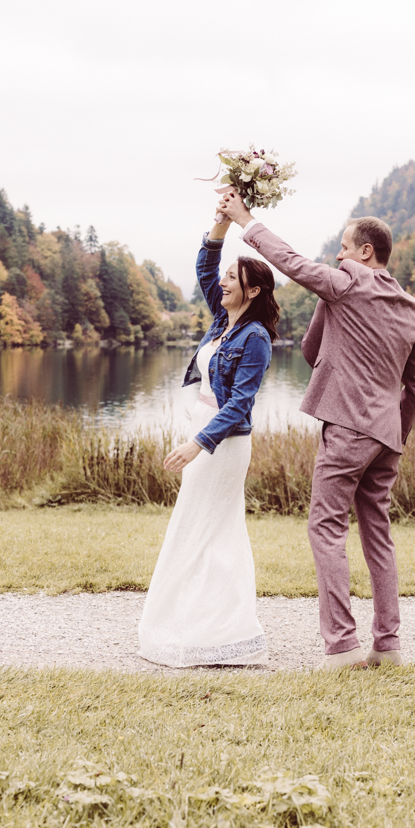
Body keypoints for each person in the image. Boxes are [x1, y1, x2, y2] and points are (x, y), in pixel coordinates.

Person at [217, 191, 415, 670]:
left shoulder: (347, 284)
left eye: (345, 247)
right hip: (386, 436)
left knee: (326, 527)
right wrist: (397, 433)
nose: (338, 255)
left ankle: (342, 647)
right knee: (378, 535)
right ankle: (388, 646)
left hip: (349, 427)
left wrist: (245, 218)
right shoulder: (411, 309)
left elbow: (289, 262)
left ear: (365, 253)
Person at [136, 209, 279, 667]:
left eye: (233, 278)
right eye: (225, 277)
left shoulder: (255, 337)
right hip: (203, 434)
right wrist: (221, 222)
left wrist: (199, 442)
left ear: (253, 290)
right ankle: (198, 621)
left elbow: (240, 404)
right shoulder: (224, 321)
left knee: (211, 529)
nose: (223, 282)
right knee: (198, 527)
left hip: (223, 443)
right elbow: (204, 267)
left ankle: (223, 630)